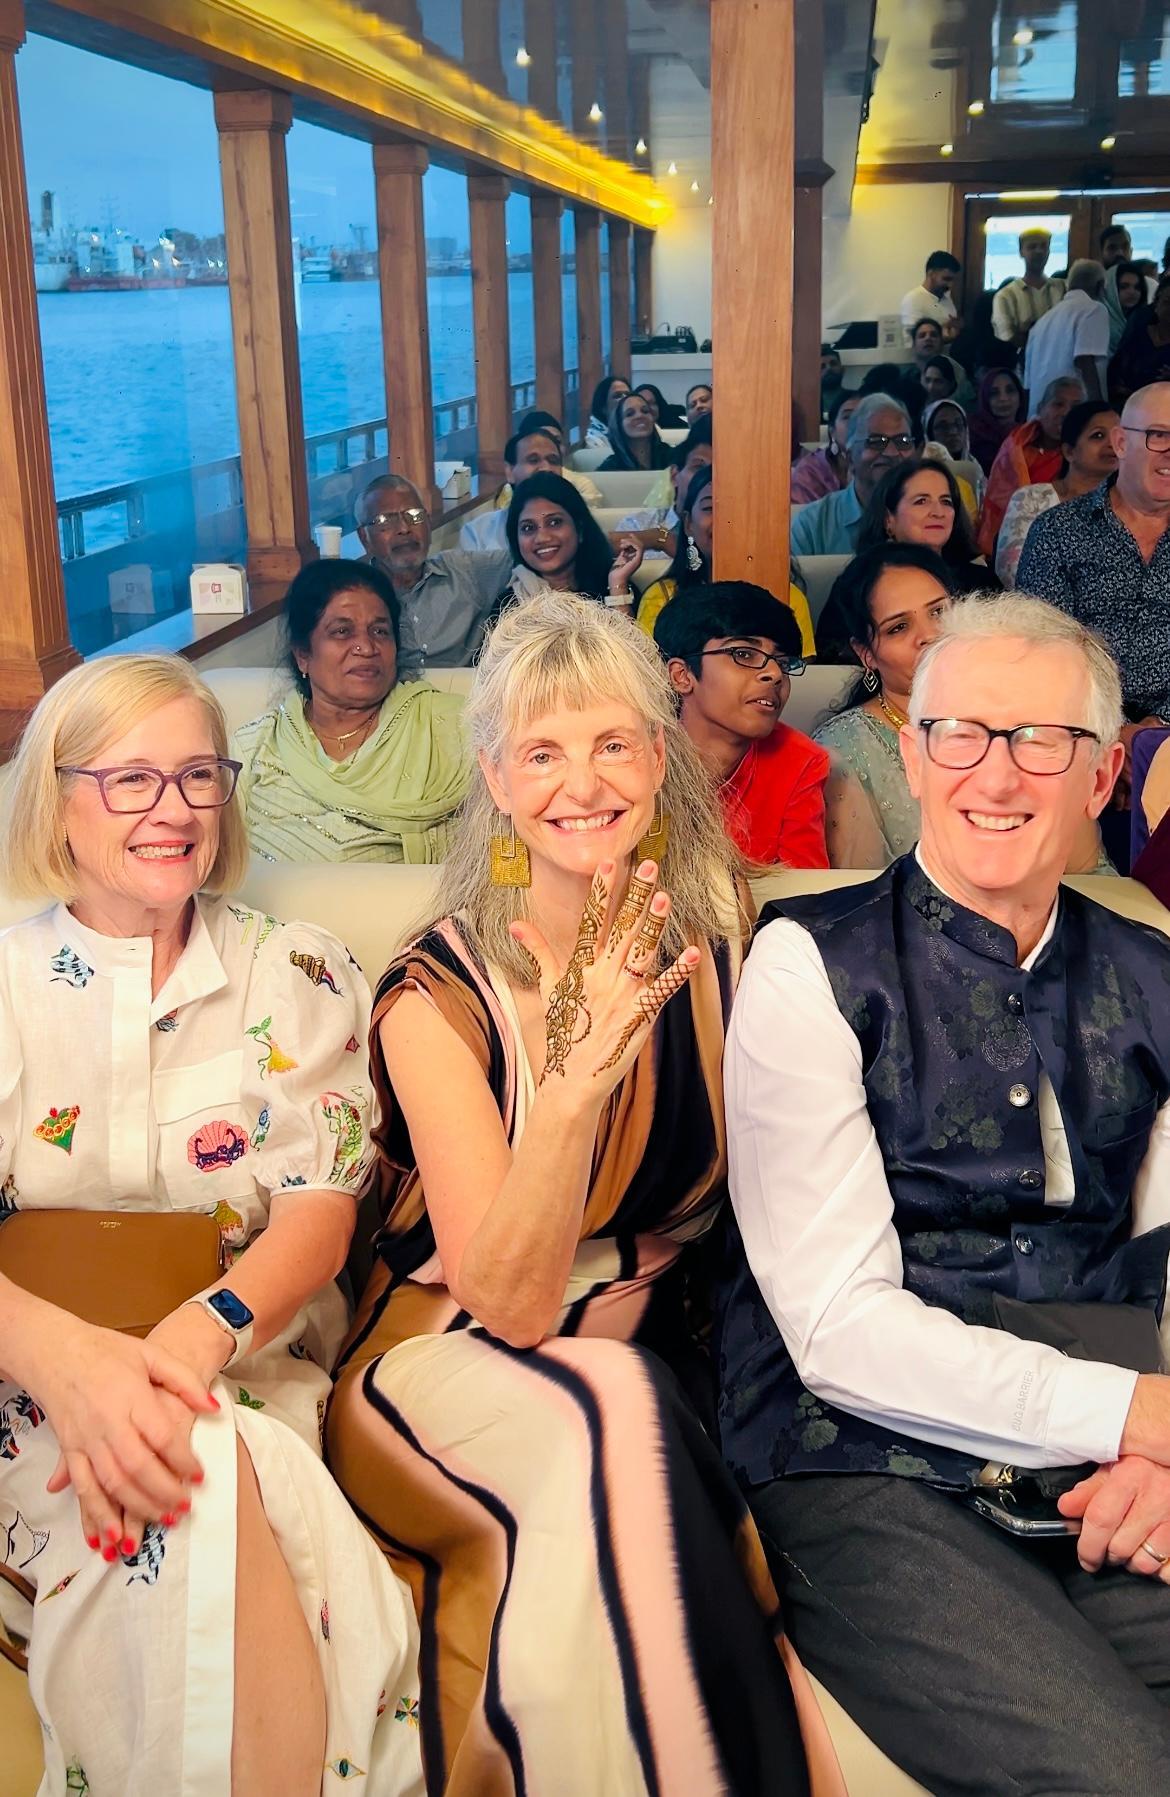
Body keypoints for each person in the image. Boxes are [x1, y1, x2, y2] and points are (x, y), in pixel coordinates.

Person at [324, 592, 840, 1797]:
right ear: (498, 783)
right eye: (544, 754)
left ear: (660, 758)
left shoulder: (730, 954)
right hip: (440, 1359)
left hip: (655, 1365)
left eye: (613, 743)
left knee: (630, 1405)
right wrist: (565, 1089)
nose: (583, 782)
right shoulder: (435, 993)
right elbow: (503, 1298)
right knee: (610, 1391)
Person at [716, 596, 1170, 1796]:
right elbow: (838, 1332)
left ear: (1103, 768)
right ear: (912, 754)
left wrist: (1153, 1451)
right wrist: (1137, 1416)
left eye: (1042, 740)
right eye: (961, 735)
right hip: (865, 1464)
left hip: (1116, 1464)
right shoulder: (808, 962)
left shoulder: (1155, 973)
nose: (997, 774)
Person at [0, 652, 423, 1797]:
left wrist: (191, 1343)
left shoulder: (294, 970)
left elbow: (322, 1216)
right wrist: (75, 1366)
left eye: (197, 776)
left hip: (239, 1361)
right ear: (60, 795)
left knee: (197, 1447)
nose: (173, 809)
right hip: (27, 1383)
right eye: (130, 781)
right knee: (185, 1463)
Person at [231, 561, 469, 863]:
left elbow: (506, 833)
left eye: (380, 631)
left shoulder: (453, 726)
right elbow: (218, 859)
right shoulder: (256, 747)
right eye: (343, 631)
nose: (367, 647)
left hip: (419, 908)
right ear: (303, 654)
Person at [1018, 381, 1170, 745]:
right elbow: (1039, 648)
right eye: (1158, 436)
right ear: (1120, 443)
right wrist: (1110, 733)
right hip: (1077, 735)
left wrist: (1158, 727)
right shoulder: (1057, 531)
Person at [654, 581, 830, 868]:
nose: (773, 674)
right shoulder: (635, 755)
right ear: (681, 675)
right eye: (744, 654)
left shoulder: (800, 761)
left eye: (783, 663)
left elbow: (807, 896)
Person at [811, 544, 954, 866]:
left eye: (939, 612)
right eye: (898, 627)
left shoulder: (1020, 716)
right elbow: (861, 896)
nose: (929, 635)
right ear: (866, 654)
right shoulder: (841, 752)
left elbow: (1087, 874)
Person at [643, 466, 817, 656]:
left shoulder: (788, 597)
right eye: (710, 508)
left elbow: (797, 676)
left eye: (737, 509)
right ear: (688, 524)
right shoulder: (660, 598)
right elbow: (648, 678)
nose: (725, 521)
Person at [356, 475, 512, 675]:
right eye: (385, 521)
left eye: (414, 516)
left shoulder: (465, 571)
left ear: (428, 524)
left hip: (462, 696)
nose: (404, 529)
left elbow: (529, 557)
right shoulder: (357, 597)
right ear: (364, 537)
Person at [995, 400, 1119, 584]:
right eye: (1098, 435)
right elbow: (1012, 570)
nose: (1112, 444)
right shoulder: (1032, 498)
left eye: (1120, 436)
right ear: (1069, 451)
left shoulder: (1136, 504)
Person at [790, 394, 916, 558]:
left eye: (903, 441)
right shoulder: (813, 525)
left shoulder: (932, 517)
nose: (891, 452)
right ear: (849, 456)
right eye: (876, 441)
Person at [499, 471, 642, 614]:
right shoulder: (509, 605)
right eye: (528, 527)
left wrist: (617, 586)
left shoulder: (615, 585)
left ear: (579, 529)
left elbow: (630, 636)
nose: (542, 538)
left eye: (554, 522)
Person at [977, 375, 1084, 559]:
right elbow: (996, 501)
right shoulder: (1015, 446)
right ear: (1041, 408)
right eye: (1058, 404)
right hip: (1004, 543)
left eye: (1075, 408)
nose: (1066, 413)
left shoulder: (1083, 459)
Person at [857, 459, 997, 596]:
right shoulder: (863, 585)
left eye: (946, 502)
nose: (938, 512)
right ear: (888, 519)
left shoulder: (981, 582)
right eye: (921, 501)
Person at [459, 428, 605, 553]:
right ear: (509, 471)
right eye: (533, 460)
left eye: (553, 461)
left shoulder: (579, 524)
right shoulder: (477, 533)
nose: (546, 468)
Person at [616, 412, 712, 548]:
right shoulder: (638, 525)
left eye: (717, 471)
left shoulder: (736, 528)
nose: (707, 477)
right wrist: (657, 538)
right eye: (698, 467)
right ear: (674, 476)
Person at [1023, 260, 1109, 410]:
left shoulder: (1042, 322)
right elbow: (1085, 360)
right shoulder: (1094, 309)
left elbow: (1028, 384)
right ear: (1100, 286)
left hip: (1041, 413)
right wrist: (1098, 409)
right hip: (1072, 410)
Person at [991, 227, 1067, 351]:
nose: (1039, 251)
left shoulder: (1064, 288)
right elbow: (1007, 338)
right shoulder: (1006, 296)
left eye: (1044, 246)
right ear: (1021, 252)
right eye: (1032, 247)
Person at [1108, 274, 1170, 407]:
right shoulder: (1138, 331)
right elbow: (1116, 368)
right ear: (1156, 304)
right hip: (1128, 405)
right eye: (1167, 302)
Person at [791, 390, 860, 505]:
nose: (856, 423)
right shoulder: (812, 471)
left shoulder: (885, 466)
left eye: (864, 416)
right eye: (847, 416)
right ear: (832, 430)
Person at [920, 397, 987, 507]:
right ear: (929, 432)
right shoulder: (923, 474)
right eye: (943, 427)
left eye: (958, 424)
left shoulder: (975, 468)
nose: (953, 432)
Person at [598, 390, 677, 474]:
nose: (640, 416)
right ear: (619, 425)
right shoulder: (608, 469)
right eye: (630, 414)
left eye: (645, 411)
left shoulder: (675, 458)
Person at [967, 367, 1027, 475]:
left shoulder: (1029, 435)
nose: (1003, 398)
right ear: (985, 399)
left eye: (1010, 390)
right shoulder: (974, 437)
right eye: (994, 393)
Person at [900, 250, 961, 344]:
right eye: (946, 279)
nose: (950, 285)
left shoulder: (946, 299)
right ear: (930, 273)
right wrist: (942, 337)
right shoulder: (913, 299)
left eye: (953, 280)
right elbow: (913, 341)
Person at [1104, 256, 1155, 356]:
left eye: (1137, 287)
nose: (1132, 292)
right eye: (1124, 287)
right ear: (1111, 289)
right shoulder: (1098, 320)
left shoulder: (1145, 322)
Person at [585, 373, 630, 445]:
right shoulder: (593, 442)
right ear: (603, 408)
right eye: (618, 396)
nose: (625, 399)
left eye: (628, 394)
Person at [820, 344, 845, 417]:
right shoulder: (809, 403)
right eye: (822, 366)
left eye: (833, 364)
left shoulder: (855, 399)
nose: (828, 368)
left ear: (843, 370)